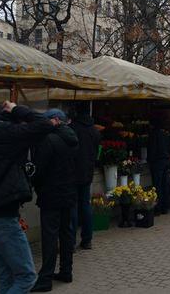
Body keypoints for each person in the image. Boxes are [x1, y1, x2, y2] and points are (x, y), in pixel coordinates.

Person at [0, 101, 57, 294]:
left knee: (7, 277)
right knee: (26, 277)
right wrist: (18, 109)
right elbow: (44, 124)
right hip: (1, 218)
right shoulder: (6, 135)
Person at [31, 109, 79, 292]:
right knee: (66, 234)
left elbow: (39, 169)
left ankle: (45, 279)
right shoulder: (73, 139)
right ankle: (67, 271)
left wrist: (36, 183)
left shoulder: (49, 140)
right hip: (69, 192)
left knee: (49, 236)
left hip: (51, 193)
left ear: (55, 120)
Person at [69, 102, 101, 250]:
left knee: (73, 207)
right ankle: (87, 240)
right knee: (86, 205)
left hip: (73, 172)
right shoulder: (94, 130)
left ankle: (71, 242)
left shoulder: (72, 129)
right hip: (88, 172)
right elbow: (97, 151)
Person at [148, 116, 170, 214]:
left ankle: (158, 208)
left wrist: (150, 160)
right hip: (165, 161)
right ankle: (165, 207)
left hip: (157, 162)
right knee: (165, 184)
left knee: (157, 185)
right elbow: (169, 148)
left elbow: (152, 149)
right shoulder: (165, 134)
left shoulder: (153, 135)